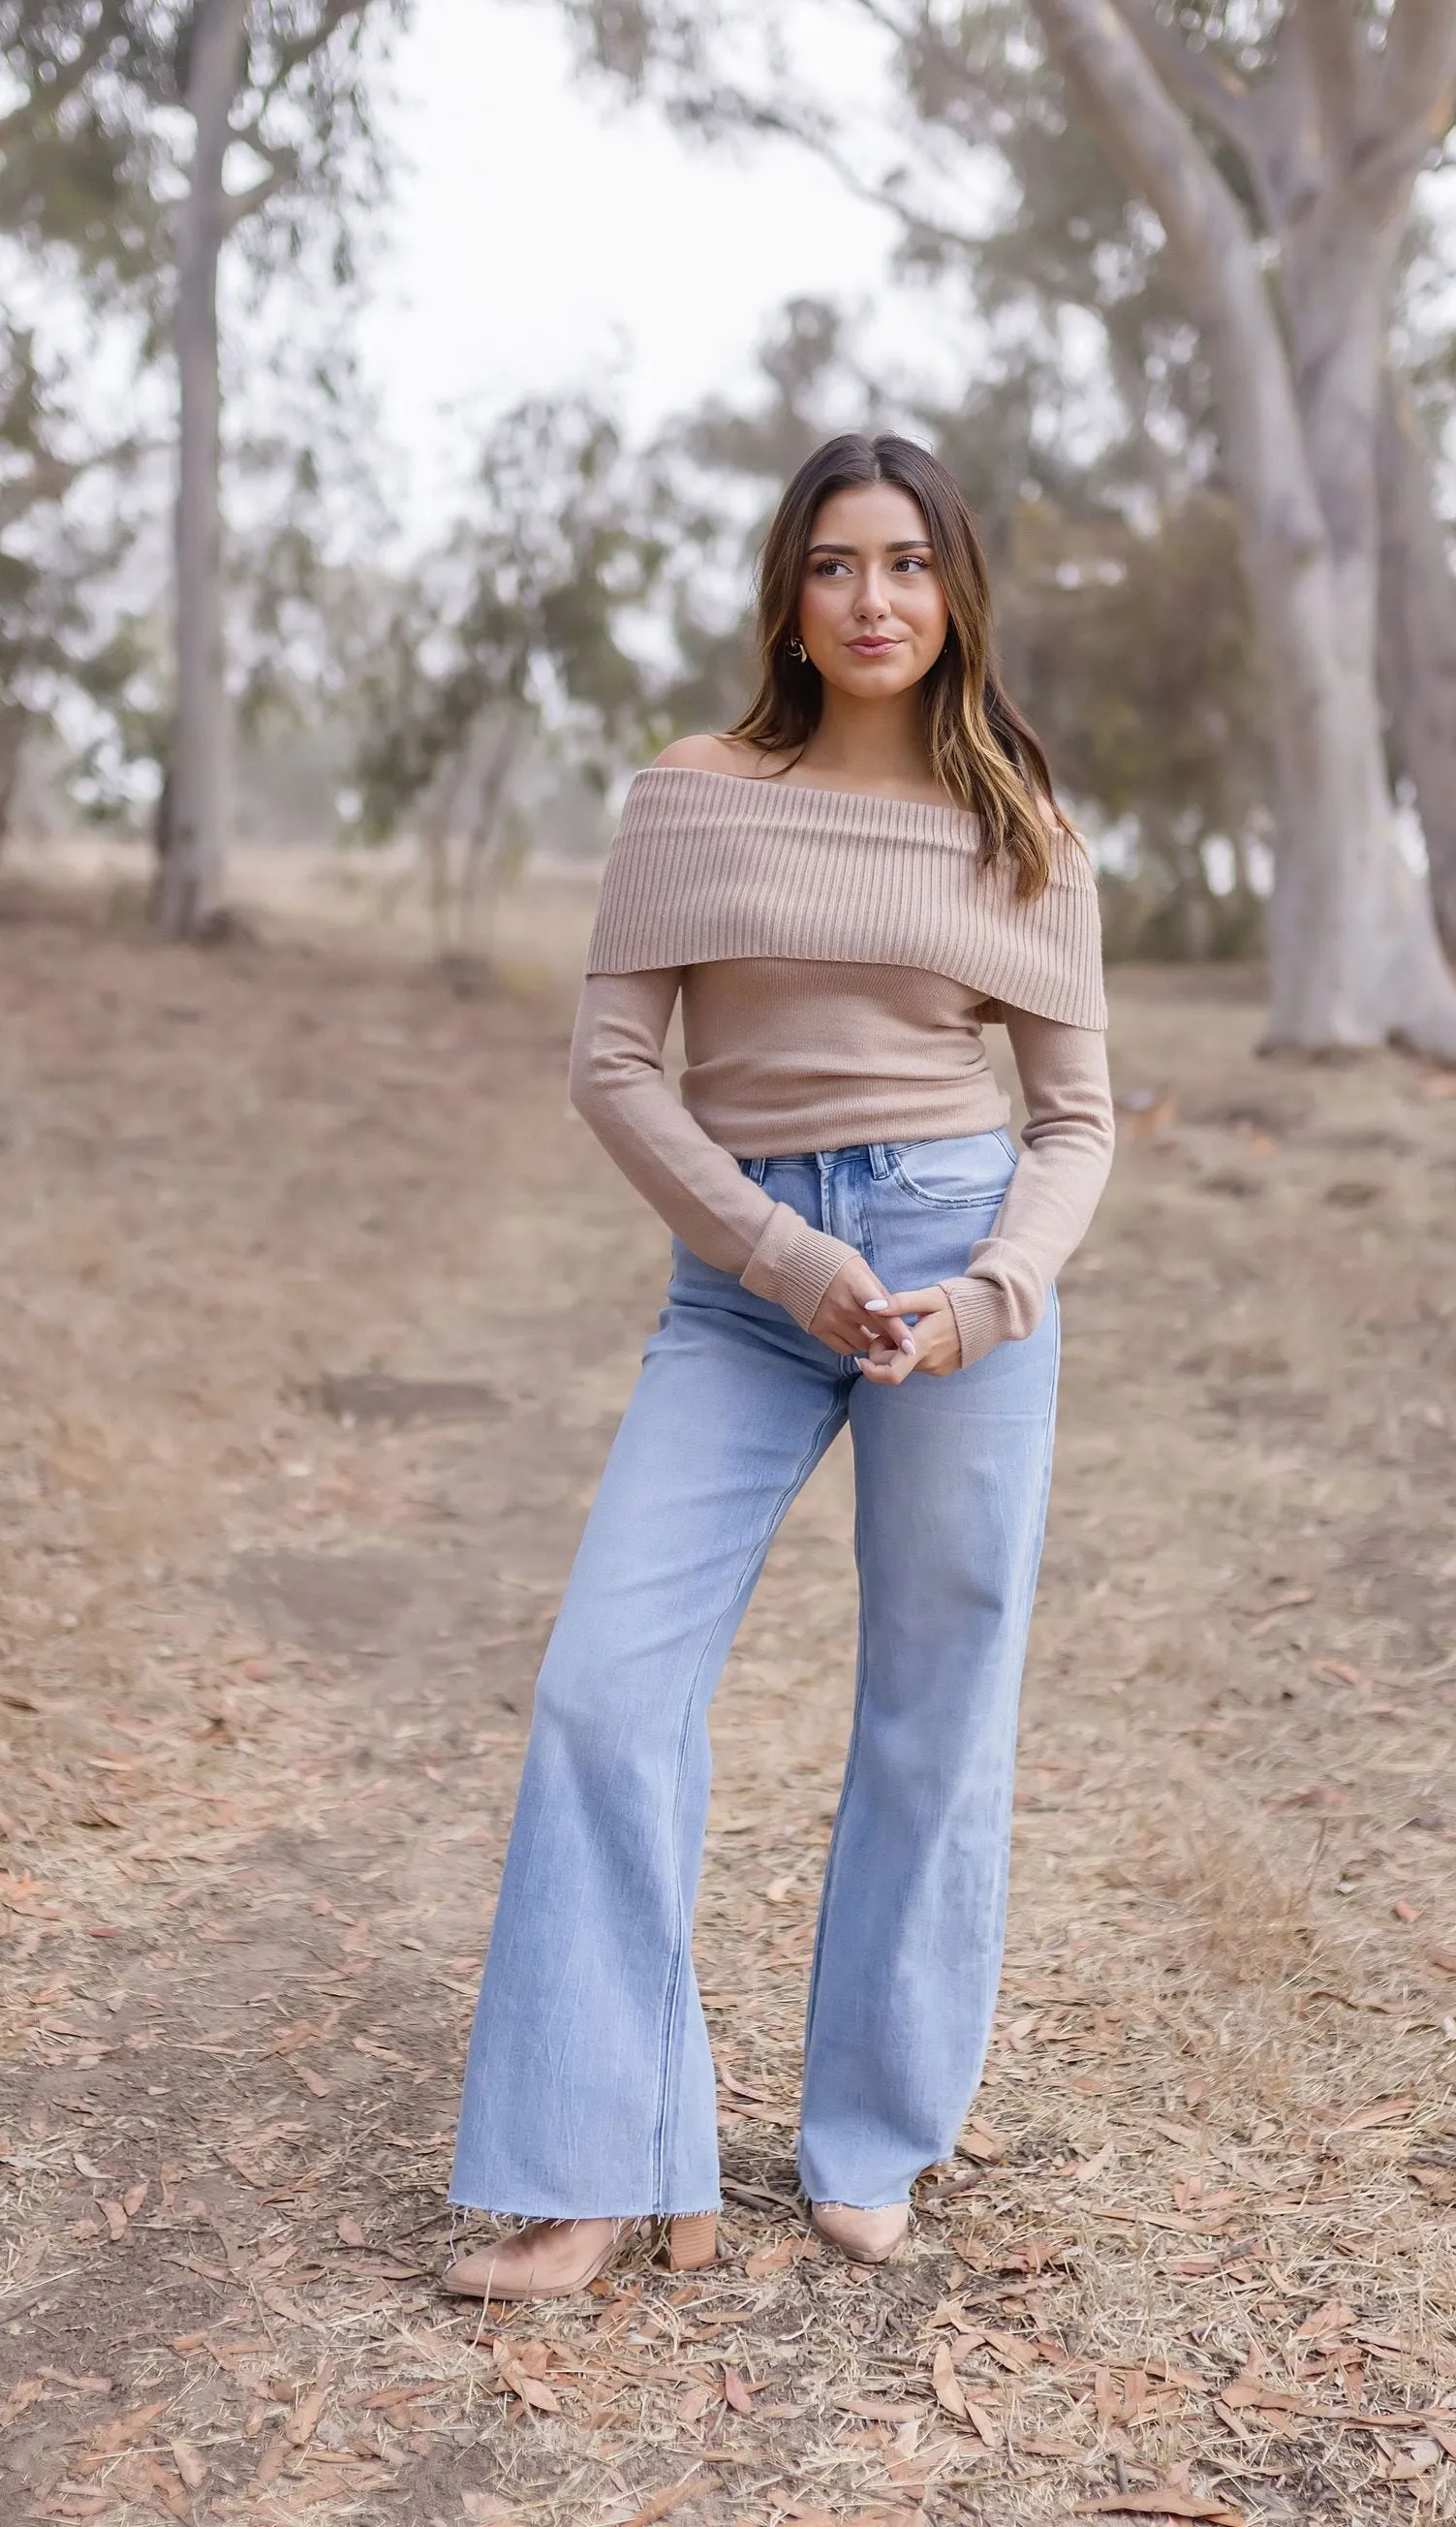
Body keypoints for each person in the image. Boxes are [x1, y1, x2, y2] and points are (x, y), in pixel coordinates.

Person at [444, 431, 1114, 2299]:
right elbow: (614, 1075)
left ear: (952, 591)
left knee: (936, 1694)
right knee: (601, 1689)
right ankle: (601, 2156)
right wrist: (785, 1256)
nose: (873, 599)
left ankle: (874, 2130)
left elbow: (1075, 1126)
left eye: (906, 564)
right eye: (835, 566)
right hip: (747, 1289)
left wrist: (985, 1295)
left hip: (956, 1282)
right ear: (789, 599)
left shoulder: (1025, 835)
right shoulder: (693, 795)